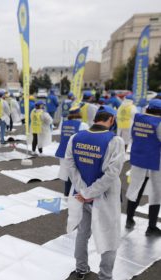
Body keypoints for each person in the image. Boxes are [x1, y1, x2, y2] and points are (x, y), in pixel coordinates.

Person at [65, 105, 125, 280]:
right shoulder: (115, 141)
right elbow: (112, 174)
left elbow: (70, 165)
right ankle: (105, 276)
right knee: (109, 236)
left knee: (82, 233)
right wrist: (90, 192)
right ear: (111, 120)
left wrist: (83, 189)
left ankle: (80, 269)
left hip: (81, 196)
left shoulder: (76, 138)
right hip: (105, 197)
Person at [125, 99, 161, 236]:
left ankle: (129, 219)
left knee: (135, 188)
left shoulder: (138, 119)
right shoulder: (158, 123)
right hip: (155, 161)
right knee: (157, 192)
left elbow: (132, 136)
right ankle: (151, 227)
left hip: (138, 159)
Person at [55, 105, 88, 196]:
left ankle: (66, 193)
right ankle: (75, 195)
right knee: (75, 174)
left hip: (63, 151)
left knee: (68, 174)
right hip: (75, 152)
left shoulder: (64, 123)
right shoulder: (83, 125)